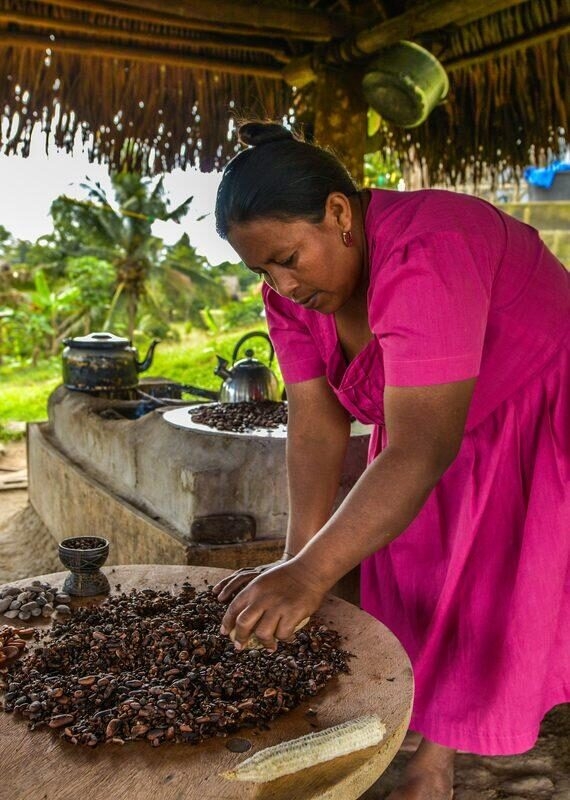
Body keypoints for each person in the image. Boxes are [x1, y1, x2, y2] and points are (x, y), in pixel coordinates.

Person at [211, 120, 569, 800]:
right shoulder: (291, 299)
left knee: (493, 587)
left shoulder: (431, 246)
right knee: (413, 576)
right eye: (262, 270)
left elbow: (421, 447)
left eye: (288, 257)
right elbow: (315, 420)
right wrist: (297, 561)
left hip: (535, 407)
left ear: (340, 214)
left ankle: (435, 764)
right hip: (426, 428)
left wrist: (313, 575)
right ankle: (427, 739)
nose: (281, 284)